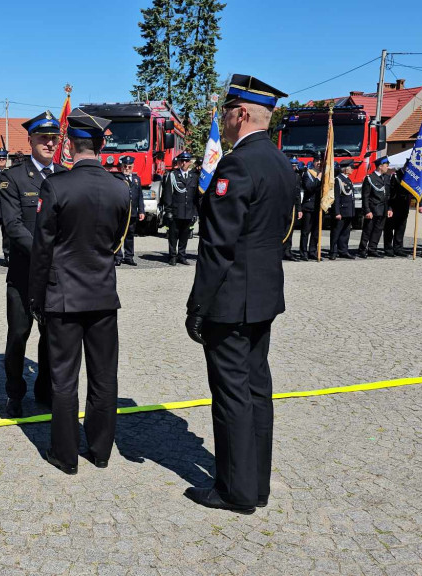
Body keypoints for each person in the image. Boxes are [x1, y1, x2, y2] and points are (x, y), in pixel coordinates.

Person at [183, 74, 295, 513]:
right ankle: (256, 484)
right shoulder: (280, 161)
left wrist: (198, 305)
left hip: (231, 300)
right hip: (264, 293)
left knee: (231, 393)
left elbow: (218, 245)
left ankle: (234, 490)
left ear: (240, 113)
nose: (223, 119)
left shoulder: (237, 164)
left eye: (227, 111)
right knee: (256, 390)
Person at [29, 110, 130, 474]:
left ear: (69, 146)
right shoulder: (122, 187)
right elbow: (117, 241)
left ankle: (65, 454)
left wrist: (36, 297)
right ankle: (101, 450)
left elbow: (43, 248)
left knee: (64, 378)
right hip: (103, 294)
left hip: (63, 296)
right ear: (102, 146)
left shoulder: (56, 186)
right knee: (104, 377)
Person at [0, 111, 64, 418]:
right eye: (43, 138)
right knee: (19, 335)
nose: (49, 143)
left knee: (52, 335)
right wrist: (45, 254)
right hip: (25, 273)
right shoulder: (13, 177)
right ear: (31, 140)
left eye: (54, 138)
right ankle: (14, 393)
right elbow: (13, 226)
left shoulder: (65, 175)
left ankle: (44, 389)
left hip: (56, 275)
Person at [161, 151, 199, 265]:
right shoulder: (172, 175)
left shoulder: (194, 177)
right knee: (173, 235)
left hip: (188, 211)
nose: (184, 163)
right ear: (178, 162)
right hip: (176, 211)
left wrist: (195, 212)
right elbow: (168, 195)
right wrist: (168, 211)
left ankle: (182, 256)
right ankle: (172, 256)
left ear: (190, 162)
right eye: (182, 160)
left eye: (186, 161)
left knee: (184, 235)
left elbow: (196, 197)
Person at [114, 155, 145, 266]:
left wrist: (141, 211)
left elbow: (140, 196)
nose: (127, 169)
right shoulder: (117, 178)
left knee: (130, 235)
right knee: (119, 234)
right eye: (125, 166)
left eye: (129, 167)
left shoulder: (136, 179)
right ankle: (117, 256)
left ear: (133, 167)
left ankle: (129, 257)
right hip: (121, 212)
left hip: (132, 213)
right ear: (121, 167)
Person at [358, 156, 391, 258]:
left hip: (383, 209)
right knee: (367, 230)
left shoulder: (386, 178)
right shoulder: (370, 178)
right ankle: (362, 249)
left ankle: (373, 248)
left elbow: (388, 196)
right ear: (380, 166)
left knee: (378, 230)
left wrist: (389, 208)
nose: (388, 168)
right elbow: (365, 196)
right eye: (386, 165)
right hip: (373, 209)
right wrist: (367, 210)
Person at [329, 160, 355, 260]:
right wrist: (337, 212)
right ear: (345, 169)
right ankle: (333, 251)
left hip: (348, 211)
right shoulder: (338, 180)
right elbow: (336, 198)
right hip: (341, 211)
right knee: (336, 232)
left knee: (345, 233)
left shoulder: (348, 180)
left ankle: (343, 250)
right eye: (351, 167)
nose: (353, 169)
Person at [299, 156, 322, 260]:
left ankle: (312, 251)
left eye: (321, 161)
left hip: (319, 206)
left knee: (316, 232)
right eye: (317, 161)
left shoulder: (325, 174)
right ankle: (303, 252)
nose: (319, 163)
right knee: (305, 231)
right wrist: (318, 179)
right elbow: (309, 188)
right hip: (309, 206)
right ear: (313, 162)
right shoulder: (308, 173)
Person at [384, 166, 411, 257]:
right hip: (393, 206)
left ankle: (398, 248)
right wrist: (389, 207)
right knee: (389, 228)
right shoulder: (395, 176)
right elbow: (389, 193)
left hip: (404, 207)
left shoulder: (411, 176)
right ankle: (388, 248)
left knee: (401, 228)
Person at [282, 159, 303, 262]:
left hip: (292, 207)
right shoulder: (282, 175)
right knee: (281, 230)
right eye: (292, 166)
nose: (294, 168)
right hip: (282, 206)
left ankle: (287, 251)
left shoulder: (297, 177)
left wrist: (299, 209)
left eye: (295, 166)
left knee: (290, 230)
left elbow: (297, 194)